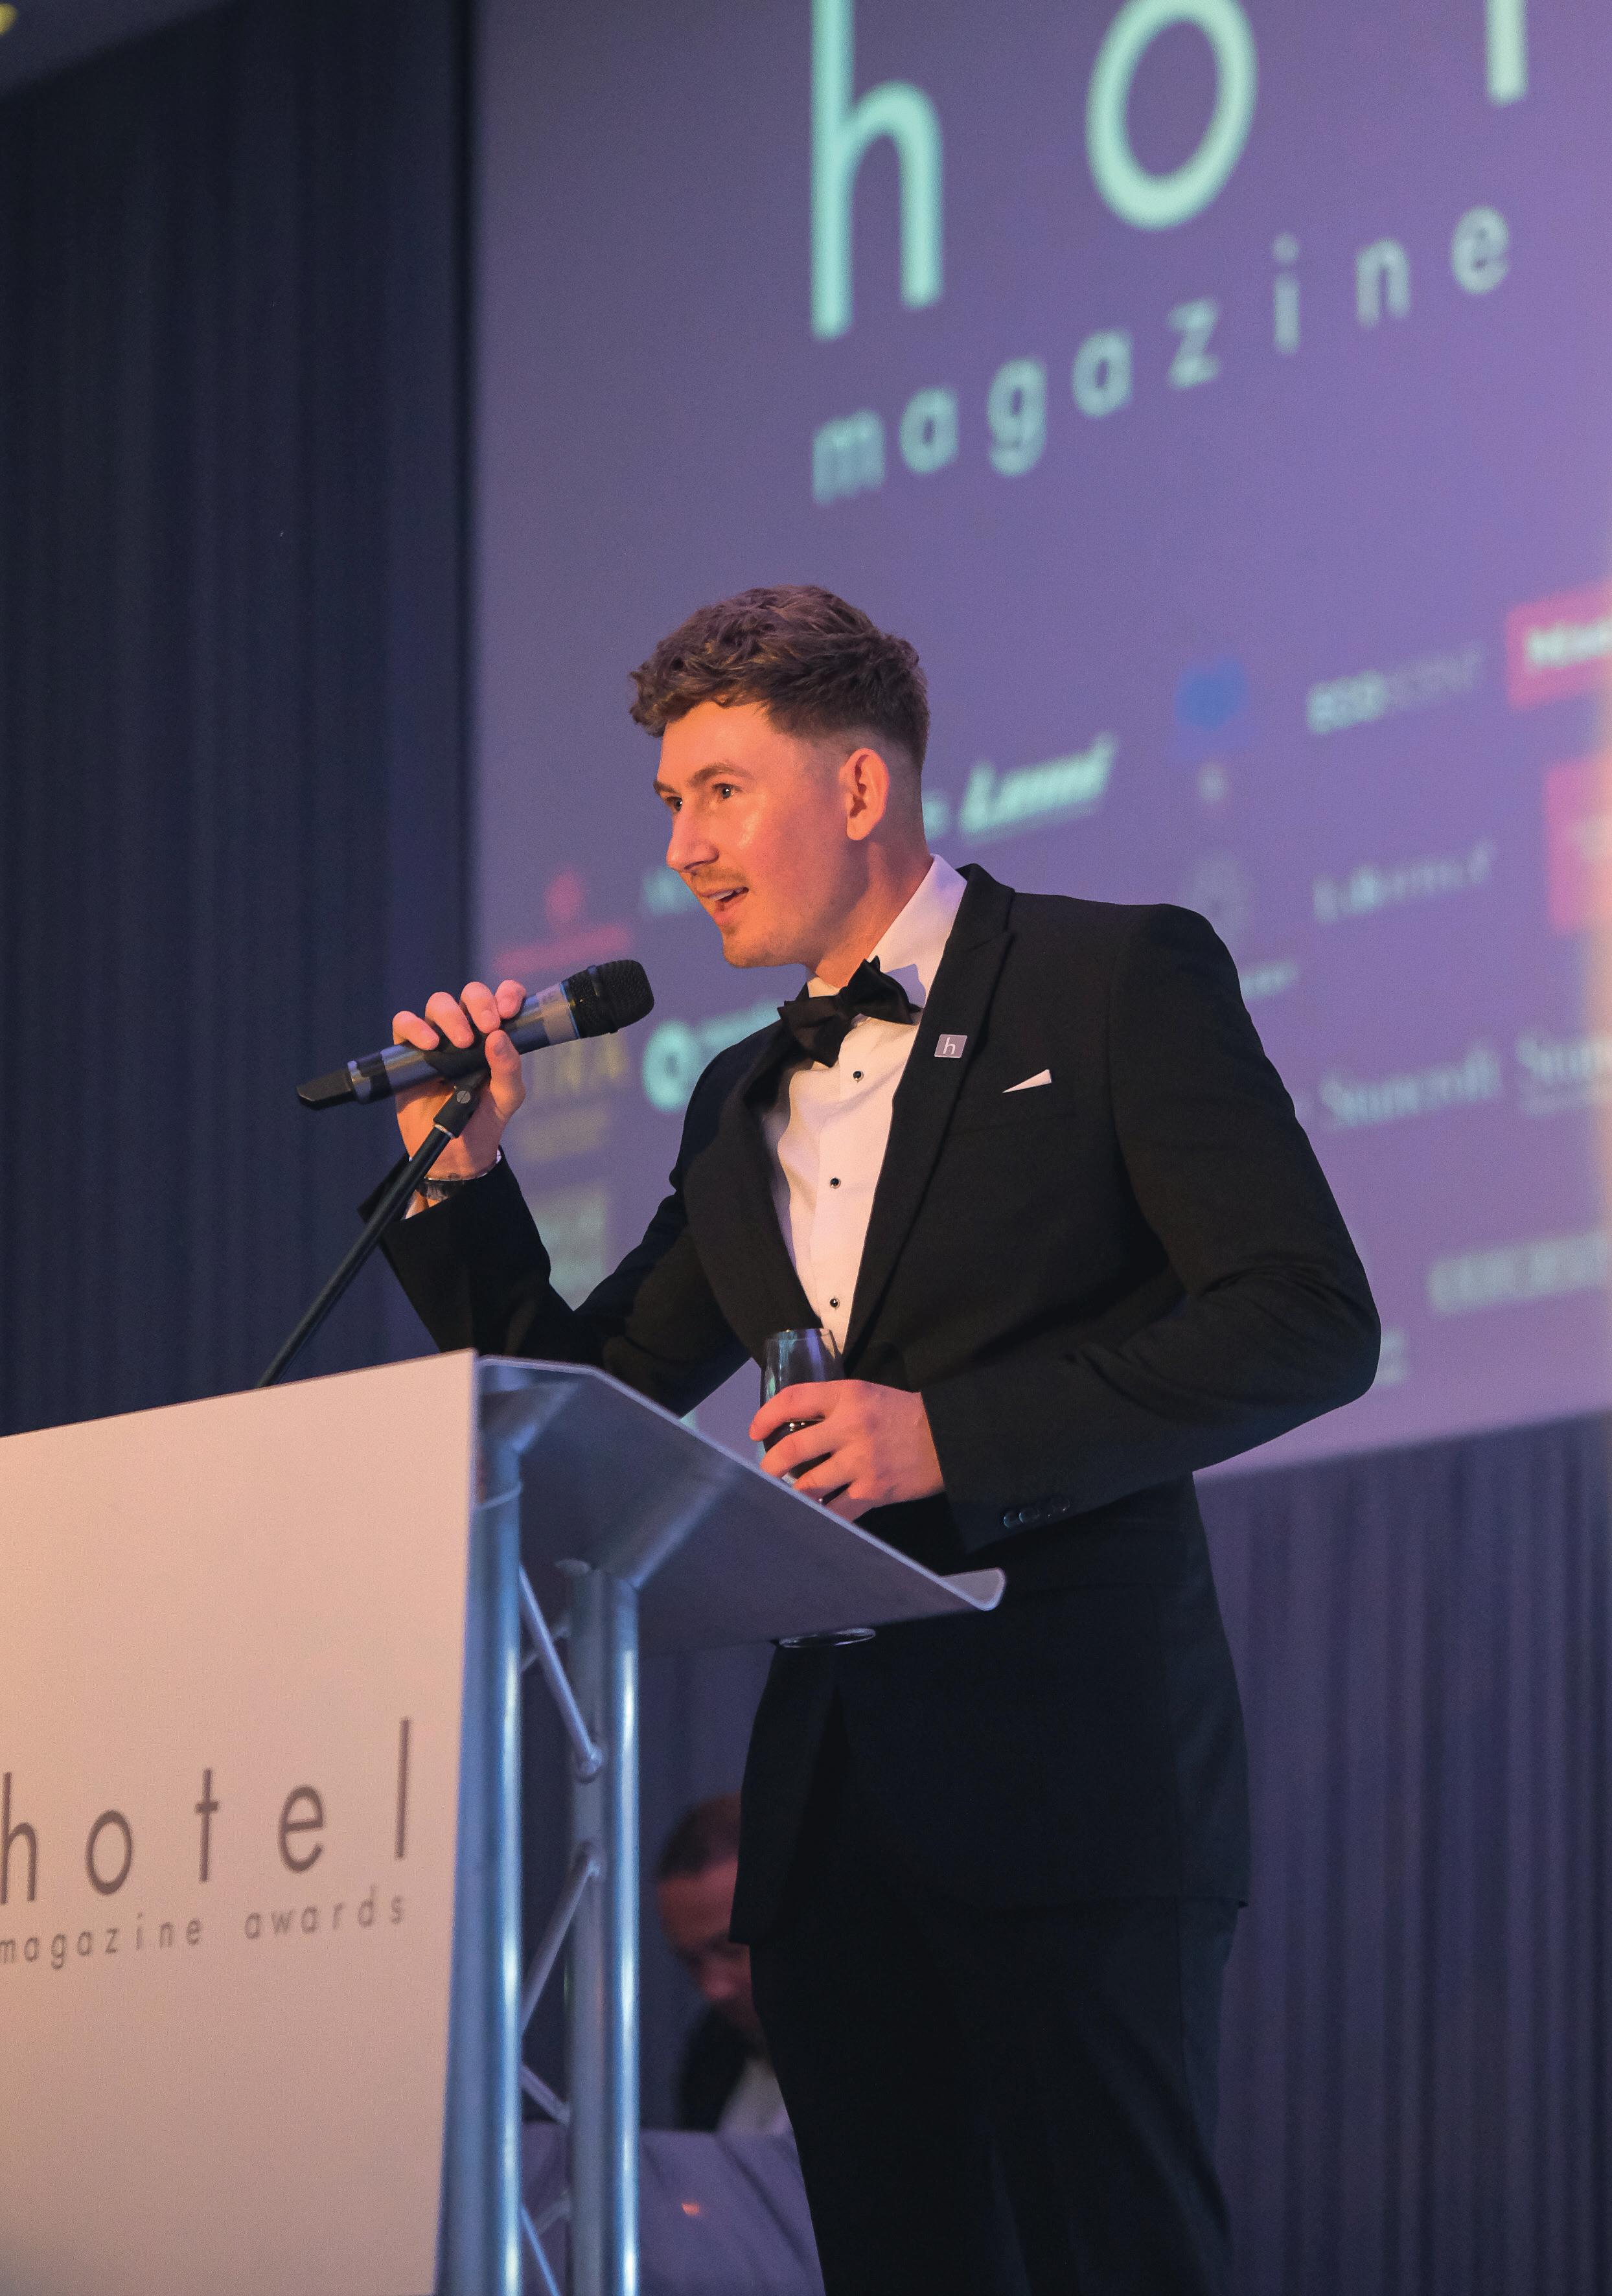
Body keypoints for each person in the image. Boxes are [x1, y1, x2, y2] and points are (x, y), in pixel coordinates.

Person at [378, 586, 1379, 2295]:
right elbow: (583, 1399)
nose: (683, 850)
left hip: (1073, 1782)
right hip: (833, 1825)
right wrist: (459, 1180)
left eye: (719, 792)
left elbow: (1304, 1318)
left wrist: (950, 1439)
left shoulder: (1109, 978)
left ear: (857, 787)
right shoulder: (734, 1102)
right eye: (669, 803)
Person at [656, 1793, 790, 2136]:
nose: (712, 1989)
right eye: (691, 1961)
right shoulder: (713, 2051)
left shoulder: (899, 2054)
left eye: (731, 1950)